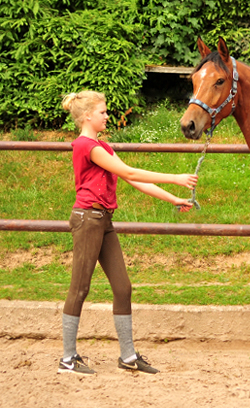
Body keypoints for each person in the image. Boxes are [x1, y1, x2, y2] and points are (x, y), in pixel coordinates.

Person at [58, 91, 197, 375]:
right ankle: (68, 359)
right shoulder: (87, 146)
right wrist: (175, 178)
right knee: (80, 288)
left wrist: (174, 198)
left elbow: (130, 178)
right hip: (88, 219)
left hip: (103, 220)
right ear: (87, 116)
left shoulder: (103, 146)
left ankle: (128, 356)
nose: (107, 116)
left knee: (123, 288)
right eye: (102, 112)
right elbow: (132, 173)